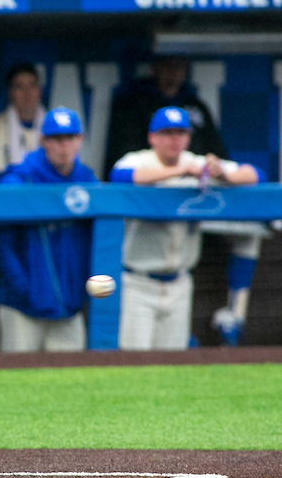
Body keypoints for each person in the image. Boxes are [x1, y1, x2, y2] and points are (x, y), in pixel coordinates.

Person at [104, 55, 263, 347]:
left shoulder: (197, 161)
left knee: (174, 370)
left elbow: (255, 174)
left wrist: (222, 175)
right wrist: (179, 171)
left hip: (179, 281)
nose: (174, 140)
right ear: (152, 137)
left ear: (189, 137)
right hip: (139, 281)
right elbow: (120, 174)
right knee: (133, 368)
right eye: (166, 133)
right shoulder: (140, 159)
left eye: (180, 133)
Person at [0, 107, 97, 352]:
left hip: (68, 308)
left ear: (80, 140)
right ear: (43, 141)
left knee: (72, 384)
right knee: (15, 383)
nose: (64, 145)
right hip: (21, 308)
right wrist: (25, 290)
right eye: (56, 139)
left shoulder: (87, 180)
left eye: (70, 138)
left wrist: (78, 292)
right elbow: (3, 245)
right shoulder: (20, 180)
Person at [0, 63, 45, 183]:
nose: (27, 93)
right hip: (7, 198)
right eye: (19, 87)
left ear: (40, 90)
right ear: (10, 93)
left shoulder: (53, 130)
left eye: (32, 85)